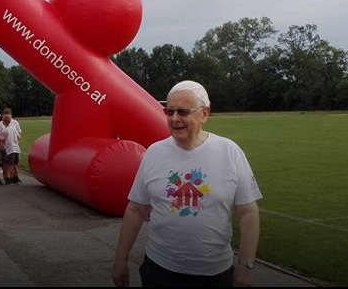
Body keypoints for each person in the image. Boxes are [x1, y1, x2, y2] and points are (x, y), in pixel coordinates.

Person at [112, 81, 262, 288]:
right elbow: (136, 210)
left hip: (215, 274)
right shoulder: (154, 153)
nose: (174, 119)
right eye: (169, 111)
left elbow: (248, 212)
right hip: (159, 271)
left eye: (182, 112)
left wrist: (246, 266)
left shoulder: (229, 152)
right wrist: (120, 260)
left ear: (205, 114)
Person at [0, 114, 21, 185]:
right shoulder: (14, 128)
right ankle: (16, 178)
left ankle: (11, 179)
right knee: (15, 164)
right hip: (16, 148)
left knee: (10, 165)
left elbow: (1, 139)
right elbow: (19, 137)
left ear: (3, 122)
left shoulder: (4, 130)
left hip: (10, 149)